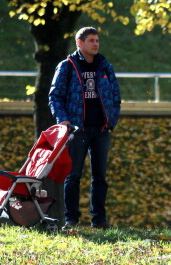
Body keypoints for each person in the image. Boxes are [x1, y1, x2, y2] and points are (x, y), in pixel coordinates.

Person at [48, 26, 122, 229]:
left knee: (100, 177)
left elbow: (115, 97)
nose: (96, 44)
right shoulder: (67, 66)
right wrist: (62, 119)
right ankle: (71, 220)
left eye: (97, 40)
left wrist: (111, 121)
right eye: (91, 40)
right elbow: (55, 96)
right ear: (80, 43)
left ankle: (99, 220)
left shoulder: (105, 67)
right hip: (76, 130)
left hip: (101, 130)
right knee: (73, 176)